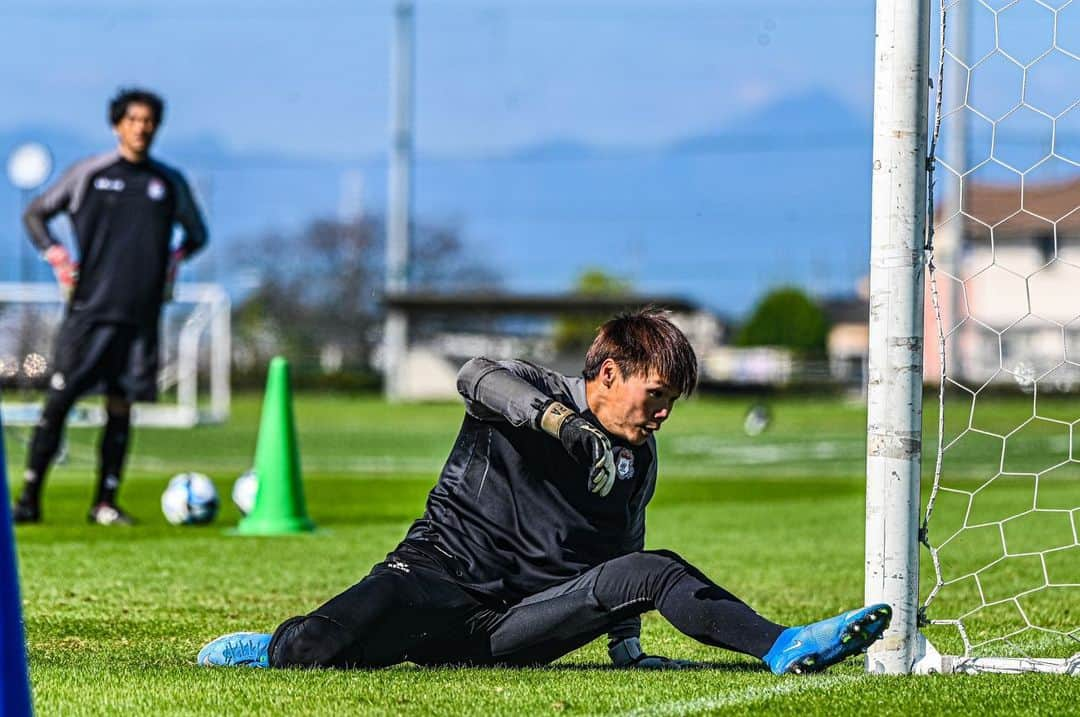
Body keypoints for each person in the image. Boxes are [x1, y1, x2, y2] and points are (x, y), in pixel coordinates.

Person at [198, 309, 890, 673]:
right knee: (314, 653)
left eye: (672, 401)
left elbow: (627, 554)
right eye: (656, 395)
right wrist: (565, 428)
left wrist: (626, 645)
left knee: (655, 565)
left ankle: (784, 645)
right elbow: (474, 375)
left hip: (516, 627)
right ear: (609, 373)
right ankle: (274, 644)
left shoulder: (637, 461)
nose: (663, 414)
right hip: (434, 577)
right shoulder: (531, 389)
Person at [12, 88, 208, 526]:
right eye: (134, 119)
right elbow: (35, 214)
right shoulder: (90, 174)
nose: (142, 128)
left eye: (149, 121)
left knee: (121, 407)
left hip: (140, 317)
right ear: (119, 124)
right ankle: (28, 498)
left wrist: (173, 262)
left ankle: (105, 501)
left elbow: (198, 235)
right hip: (89, 312)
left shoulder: (167, 182)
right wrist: (58, 257)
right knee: (58, 401)